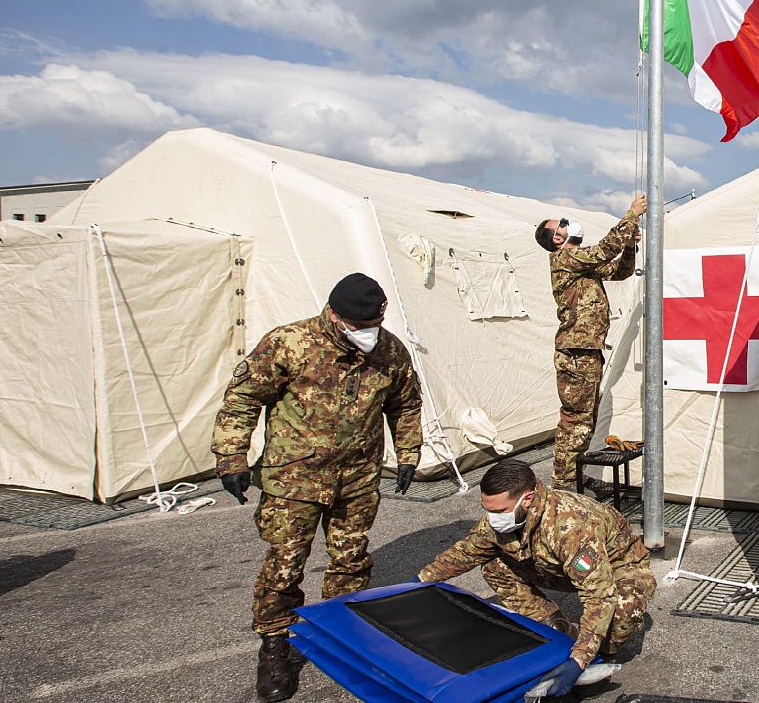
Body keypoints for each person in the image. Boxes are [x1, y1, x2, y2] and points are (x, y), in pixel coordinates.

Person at [212, 272, 423, 703]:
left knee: (350, 561)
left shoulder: (388, 350)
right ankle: (275, 645)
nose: (368, 334)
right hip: (294, 480)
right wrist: (231, 456)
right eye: (360, 326)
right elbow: (243, 397)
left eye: (374, 326)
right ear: (336, 316)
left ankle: (343, 634)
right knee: (286, 564)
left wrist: (409, 453)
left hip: (358, 479)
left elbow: (405, 404)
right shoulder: (289, 342)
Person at [415, 458, 655, 697]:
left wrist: (580, 659)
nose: (492, 518)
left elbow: (599, 595)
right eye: (487, 509)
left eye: (498, 511)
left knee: (624, 611)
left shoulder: (572, 525)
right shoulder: (502, 517)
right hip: (559, 567)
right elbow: (468, 551)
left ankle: (600, 654)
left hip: (616, 569)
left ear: (527, 499)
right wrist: (420, 581)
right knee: (493, 565)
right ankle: (555, 628)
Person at [537, 195, 646, 491]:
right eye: (559, 224)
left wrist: (631, 245)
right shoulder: (566, 258)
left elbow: (620, 271)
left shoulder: (580, 266)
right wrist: (631, 215)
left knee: (584, 420)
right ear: (557, 238)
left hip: (587, 351)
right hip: (576, 353)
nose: (565, 223)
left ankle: (573, 476)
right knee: (575, 422)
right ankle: (563, 486)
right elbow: (603, 250)